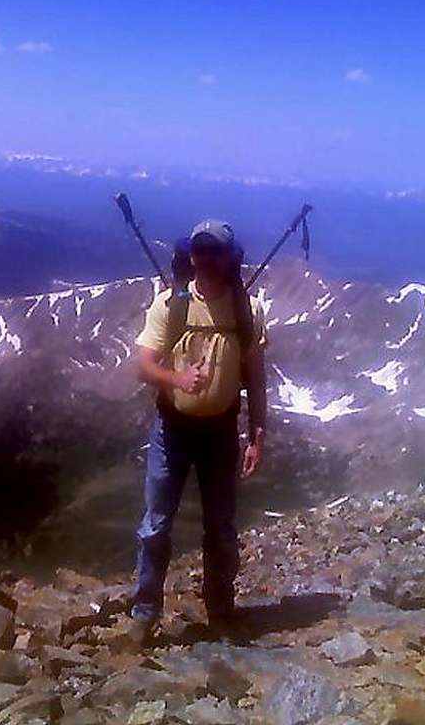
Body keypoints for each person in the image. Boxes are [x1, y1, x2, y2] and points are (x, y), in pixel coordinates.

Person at [130, 218, 268, 645]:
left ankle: (220, 612)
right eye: (201, 251)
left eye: (216, 252)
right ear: (190, 256)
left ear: (231, 258)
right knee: (155, 525)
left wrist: (257, 434)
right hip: (173, 429)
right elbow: (143, 364)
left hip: (221, 434)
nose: (207, 259)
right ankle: (144, 615)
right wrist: (177, 380)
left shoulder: (245, 310)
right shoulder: (170, 305)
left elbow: (257, 377)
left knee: (221, 528)